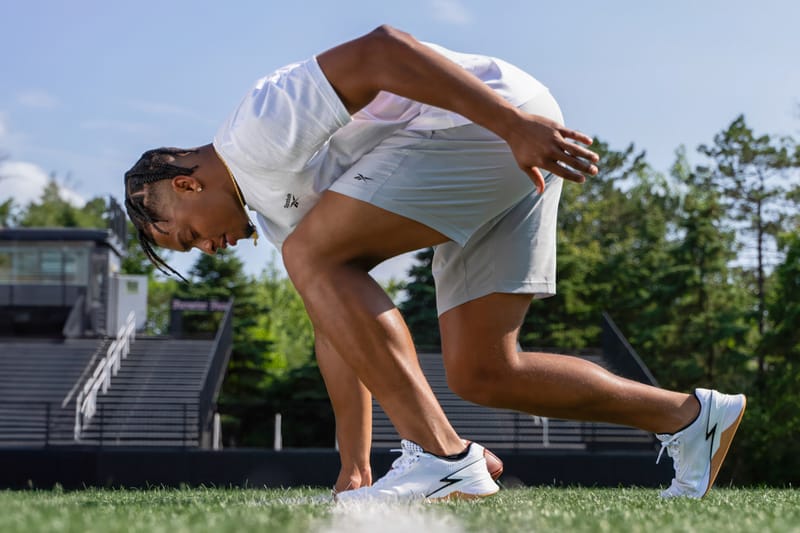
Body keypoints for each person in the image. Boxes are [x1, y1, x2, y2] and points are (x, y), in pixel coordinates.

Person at [123, 25, 746, 501]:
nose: (207, 248)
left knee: (313, 258)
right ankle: (691, 417)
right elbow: (334, 331)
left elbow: (383, 50)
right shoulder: (277, 210)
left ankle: (443, 456)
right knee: (485, 370)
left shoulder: (252, 133)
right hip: (501, 142)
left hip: (495, 126)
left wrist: (510, 125)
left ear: (185, 186)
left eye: (187, 238)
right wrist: (355, 465)